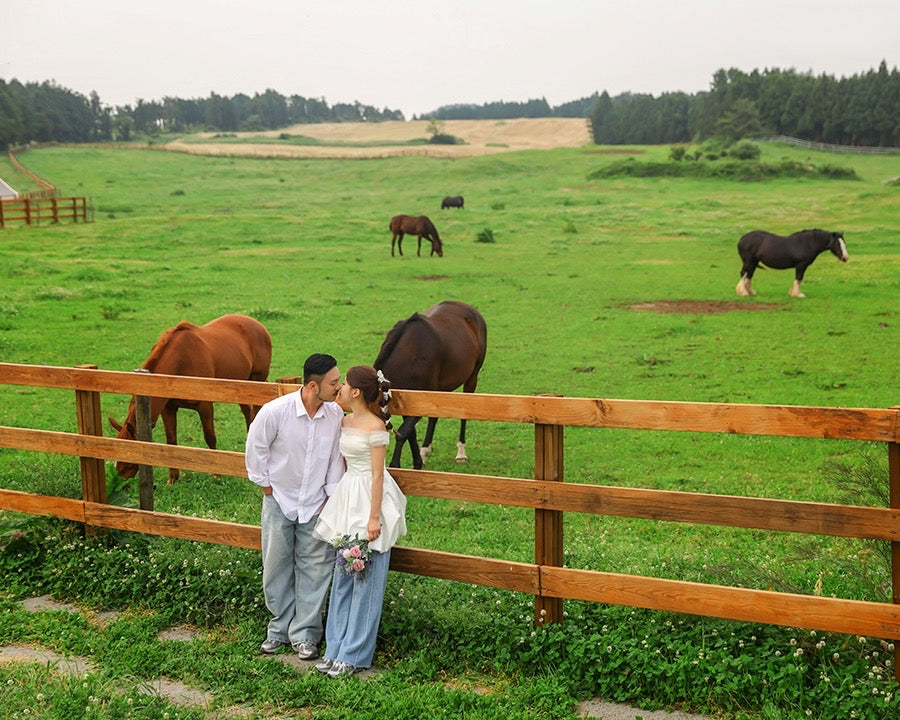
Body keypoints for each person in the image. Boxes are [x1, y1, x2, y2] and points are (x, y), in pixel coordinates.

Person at [245, 353, 344, 660]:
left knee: (315, 569)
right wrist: (267, 486)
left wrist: (330, 498)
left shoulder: (335, 415)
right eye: (333, 382)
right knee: (276, 566)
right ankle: (278, 629)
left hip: (316, 504)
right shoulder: (275, 412)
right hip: (280, 500)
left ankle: (305, 635)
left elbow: (333, 461)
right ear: (314, 386)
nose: (338, 387)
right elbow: (255, 447)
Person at [313, 365, 407, 678]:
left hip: (370, 497)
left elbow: (379, 475)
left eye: (344, 384)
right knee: (342, 576)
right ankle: (334, 648)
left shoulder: (376, 427)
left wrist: (373, 518)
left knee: (366, 579)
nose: (338, 388)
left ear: (356, 392)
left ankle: (354, 654)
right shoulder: (344, 420)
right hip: (347, 495)